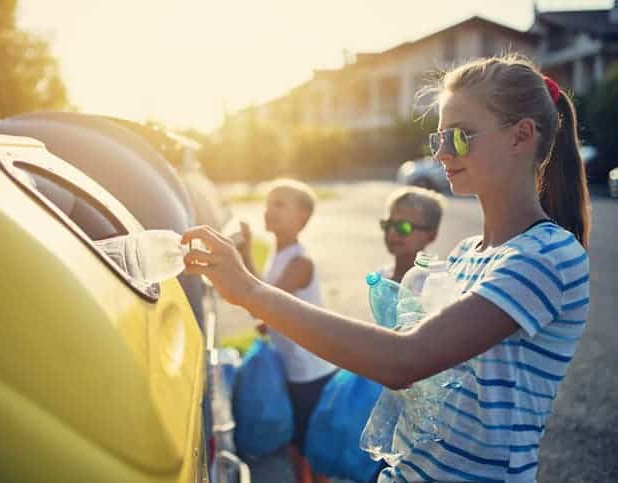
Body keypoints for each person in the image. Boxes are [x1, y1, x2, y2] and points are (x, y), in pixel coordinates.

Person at [183, 53, 590, 482]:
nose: (443, 153)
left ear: (521, 136)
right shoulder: (467, 252)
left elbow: (403, 361)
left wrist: (250, 292)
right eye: (438, 140)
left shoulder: (546, 257)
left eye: (460, 137)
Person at [236, 178, 336, 483]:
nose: (269, 210)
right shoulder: (278, 256)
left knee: (313, 445)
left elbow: (261, 302)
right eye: (268, 203)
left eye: (280, 204)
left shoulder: (300, 262)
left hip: (310, 372)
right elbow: (266, 303)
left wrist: (242, 258)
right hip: (291, 367)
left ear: (301, 217)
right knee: (295, 441)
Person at [378, 186, 446, 282]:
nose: (391, 232)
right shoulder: (380, 275)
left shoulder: (432, 283)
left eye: (403, 227)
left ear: (431, 235)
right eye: (388, 224)